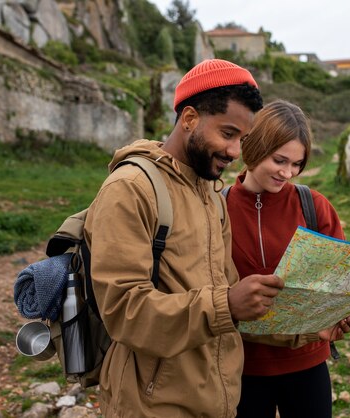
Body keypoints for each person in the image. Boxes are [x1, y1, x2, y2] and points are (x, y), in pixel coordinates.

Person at [83, 59, 286, 418]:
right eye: (227, 134)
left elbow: (231, 300)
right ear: (189, 119)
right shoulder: (130, 189)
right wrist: (227, 305)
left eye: (243, 139)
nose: (236, 152)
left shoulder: (211, 196)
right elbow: (124, 311)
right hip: (152, 405)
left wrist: (312, 329)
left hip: (214, 400)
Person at [224, 99, 350, 418]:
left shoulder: (313, 205)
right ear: (255, 147)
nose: (286, 173)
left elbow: (344, 288)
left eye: (296, 164)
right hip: (239, 369)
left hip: (307, 365)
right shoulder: (217, 208)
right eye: (279, 160)